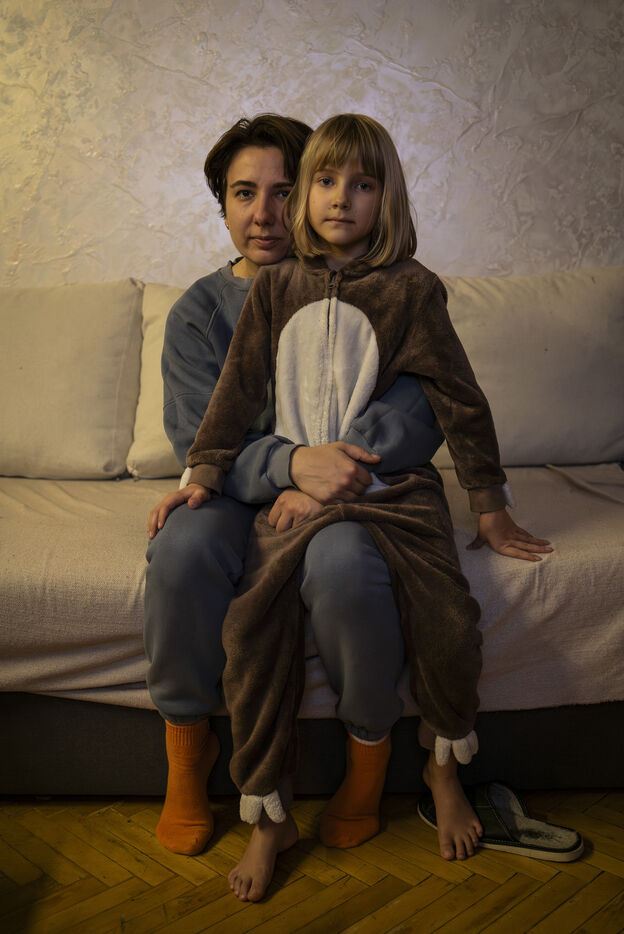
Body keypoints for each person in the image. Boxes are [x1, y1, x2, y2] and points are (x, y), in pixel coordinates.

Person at [179, 113, 552, 899]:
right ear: (305, 195)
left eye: (363, 184)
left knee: (449, 614)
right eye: (325, 181)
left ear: (388, 198)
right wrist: (203, 474)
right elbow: (236, 391)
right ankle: (269, 814)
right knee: (251, 630)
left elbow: (458, 399)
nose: (340, 198)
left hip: (394, 493)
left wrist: (489, 505)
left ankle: (442, 768)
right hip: (297, 495)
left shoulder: (412, 290)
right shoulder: (275, 287)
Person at [145, 113, 445, 871]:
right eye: (244, 193)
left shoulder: (375, 289)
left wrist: (331, 468)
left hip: (340, 491)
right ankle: (187, 759)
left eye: (285, 191)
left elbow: (418, 399)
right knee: (180, 552)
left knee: (346, 567)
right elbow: (201, 436)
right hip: (236, 491)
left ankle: (368, 765)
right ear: (222, 206)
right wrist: (290, 463)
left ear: (313, 192)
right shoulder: (198, 313)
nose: (265, 214)